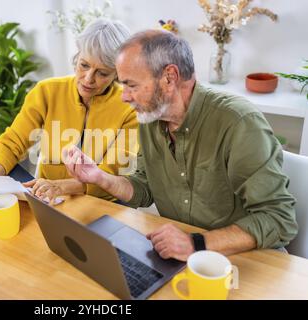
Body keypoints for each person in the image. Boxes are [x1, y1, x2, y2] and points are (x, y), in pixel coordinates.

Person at [63, 30, 298, 261]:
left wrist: (195, 244)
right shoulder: (151, 118)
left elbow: (279, 218)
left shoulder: (238, 123)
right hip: (185, 256)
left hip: (251, 260)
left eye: (131, 85)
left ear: (169, 77)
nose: (124, 96)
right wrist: (99, 177)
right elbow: (144, 189)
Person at [0, 18, 138, 204]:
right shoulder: (47, 91)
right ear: (77, 57)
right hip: (47, 197)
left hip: (102, 201)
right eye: (84, 65)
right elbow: (12, 142)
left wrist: (61, 186)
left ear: (118, 73)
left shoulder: (130, 107)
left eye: (102, 73)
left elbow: (111, 173)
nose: (88, 79)